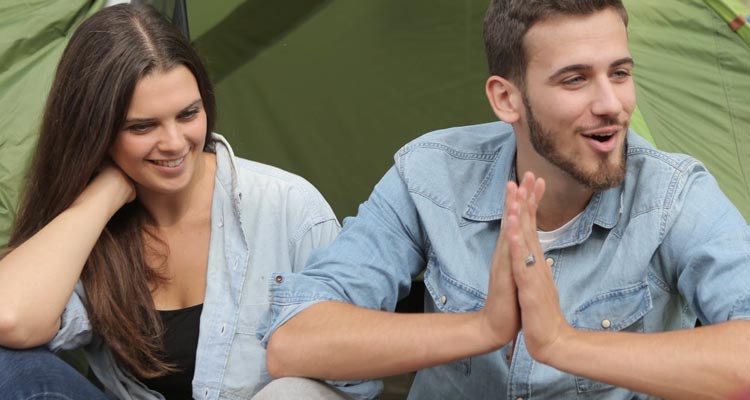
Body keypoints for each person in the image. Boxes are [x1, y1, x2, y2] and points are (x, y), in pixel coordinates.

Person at [257, 0, 750, 399]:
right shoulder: (433, 174)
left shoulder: (672, 193)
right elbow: (294, 341)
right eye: (575, 79)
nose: (611, 105)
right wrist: (484, 327)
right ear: (506, 99)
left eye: (619, 73)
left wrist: (562, 343)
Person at [0, 4, 340, 399]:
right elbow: (9, 318)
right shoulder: (92, 228)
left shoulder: (290, 209)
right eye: (142, 126)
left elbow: (351, 378)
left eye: (188, 114)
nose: (175, 144)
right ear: (96, 131)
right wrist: (104, 194)